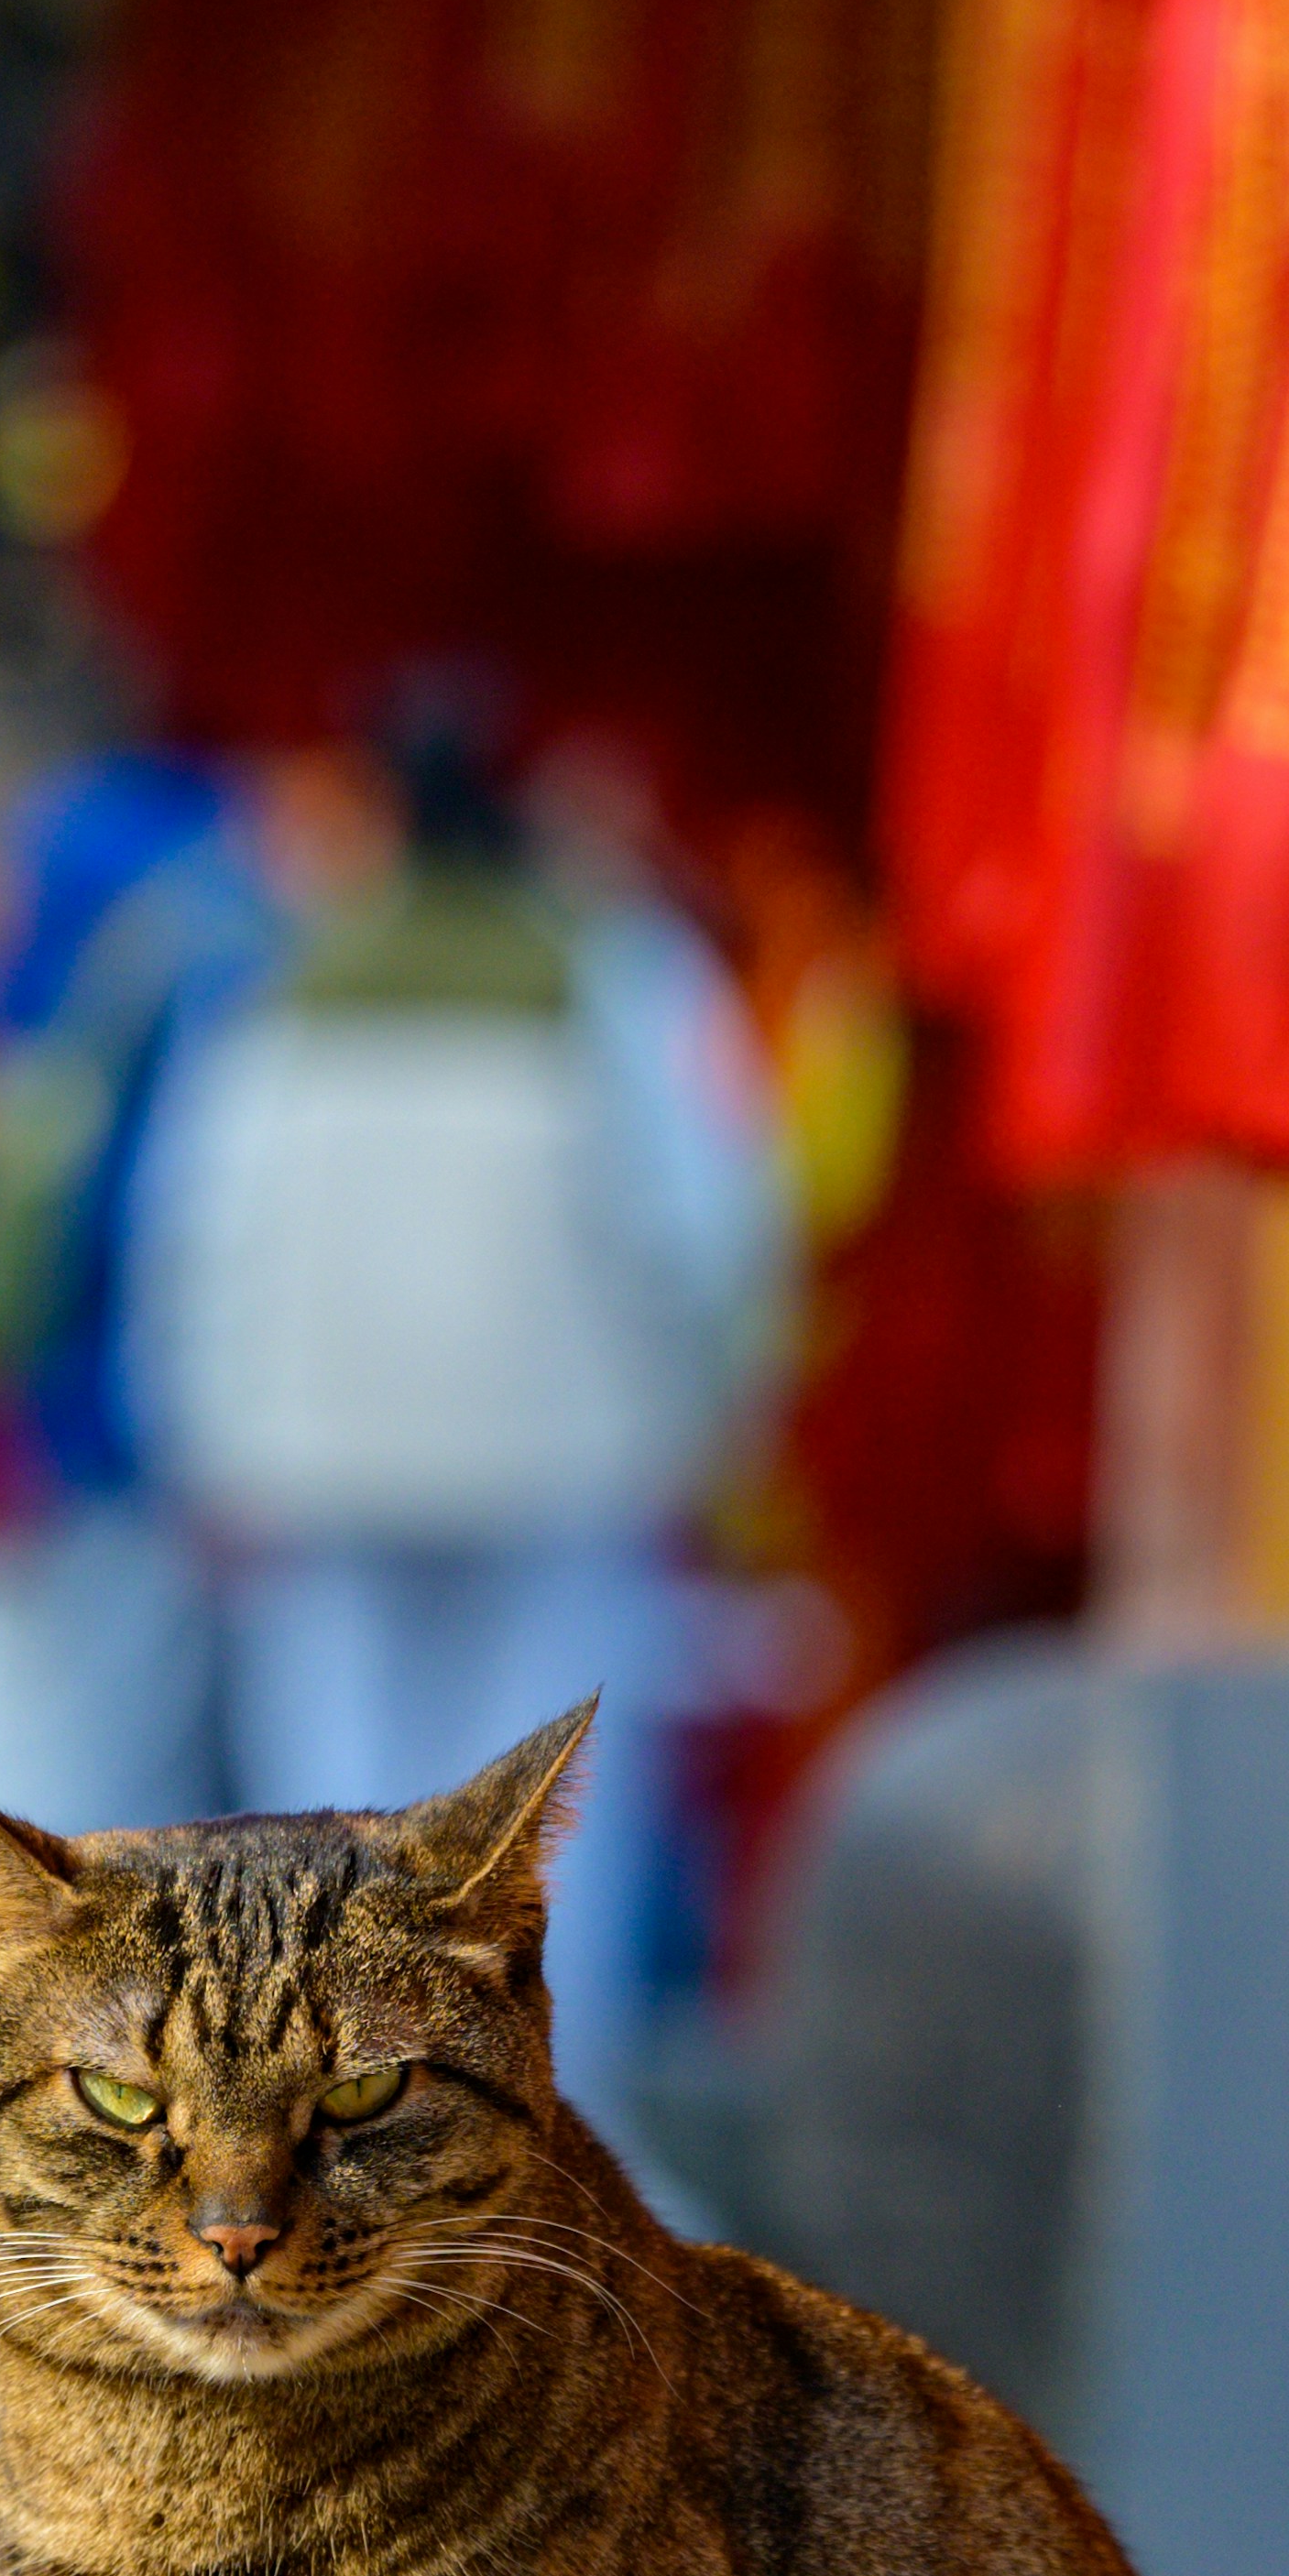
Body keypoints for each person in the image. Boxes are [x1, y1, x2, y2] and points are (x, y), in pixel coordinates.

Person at [128, 693, 789, 2114]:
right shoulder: (621, 976)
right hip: (567, 1453)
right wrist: (711, 1413)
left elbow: (192, 1231)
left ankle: (320, 2112)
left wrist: (203, 1439)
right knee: (547, 1821)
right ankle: (534, 2126)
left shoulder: (286, 982)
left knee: (331, 1806)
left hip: (315, 1460)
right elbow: (713, 1225)